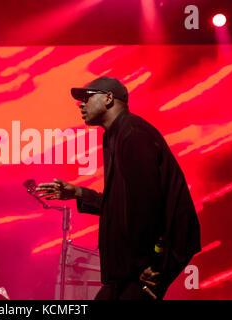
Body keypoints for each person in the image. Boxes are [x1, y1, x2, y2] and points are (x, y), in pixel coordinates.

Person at [35, 76, 201, 300]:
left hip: (146, 266)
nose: (81, 105)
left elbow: (146, 206)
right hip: (132, 268)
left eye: (86, 98)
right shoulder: (117, 135)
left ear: (109, 98)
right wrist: (79, 193)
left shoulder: (133, 135)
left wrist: (149, 264)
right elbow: (122, 204)